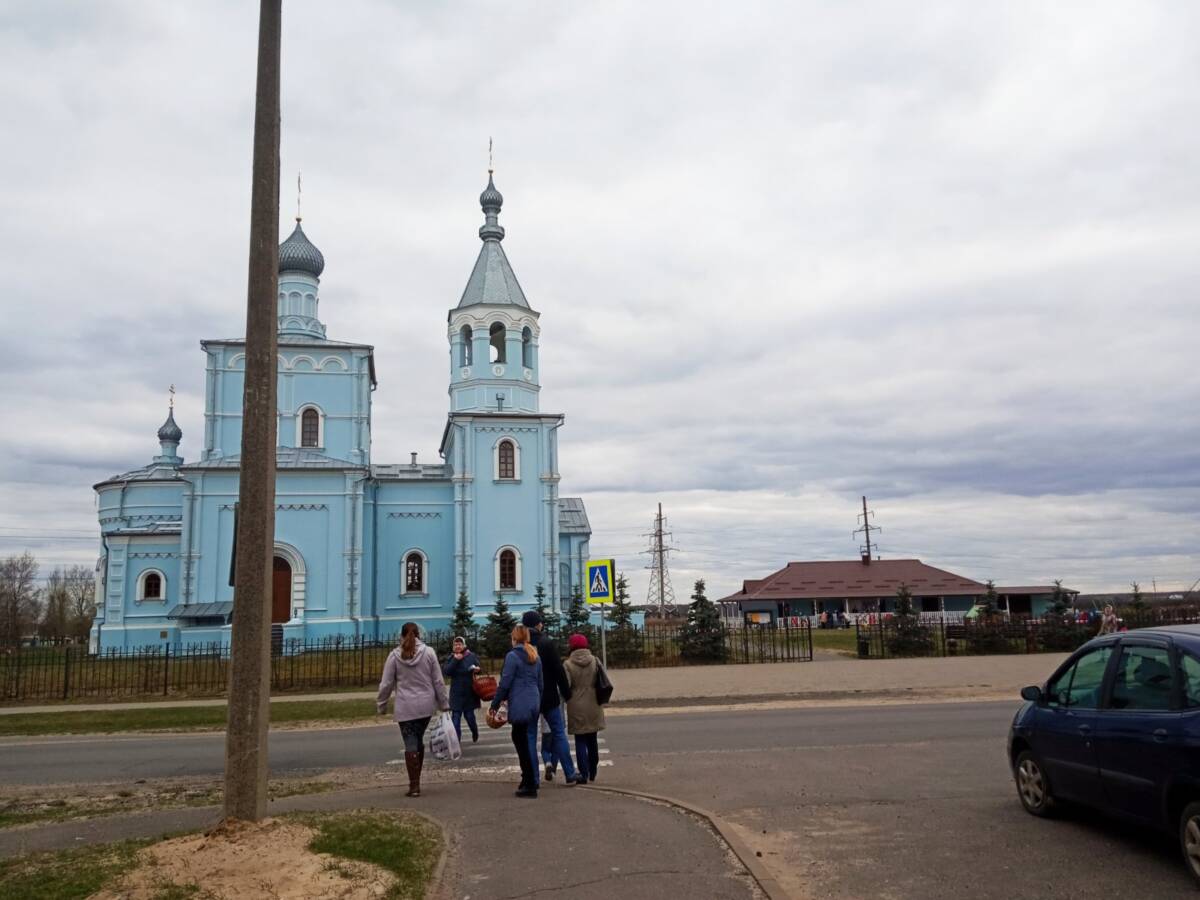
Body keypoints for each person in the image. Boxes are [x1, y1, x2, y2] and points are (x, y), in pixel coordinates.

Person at [377, 622, 449, 798]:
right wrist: (444, 703)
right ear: (419, 635)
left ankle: (414, 784)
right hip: (425, 706)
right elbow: (438, 680)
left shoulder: (394, 656)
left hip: (405, 706)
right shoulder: (429, 653)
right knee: (418, 740)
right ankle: (416, 780)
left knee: (410, 743)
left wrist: (382, 704)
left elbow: (386, 683)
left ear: (401, 636)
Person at [522, 610, 580, 786]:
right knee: (559, 733)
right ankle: (570, 774)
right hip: (548, 696)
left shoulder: (521, 646)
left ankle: (533, 779)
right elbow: (558, 671)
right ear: (538, 624)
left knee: (530, 736)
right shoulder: (546, 643)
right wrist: (567, 693)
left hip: (528, 698)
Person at [490, 624, 543, 798]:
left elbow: (505, 683)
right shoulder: (534, 655)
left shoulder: (512, 656)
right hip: (533, 701)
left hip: (520, 701)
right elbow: (540, 683)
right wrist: (537, 701)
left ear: (514, 638)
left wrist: (494, 704)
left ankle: (530, 783)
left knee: (520, 741)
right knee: (522, 738)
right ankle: (527, 779)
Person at [563, 633, 606, 784]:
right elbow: (602, 679)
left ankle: (583, 773)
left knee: (580, 740)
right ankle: (593, 769)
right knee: (592, 738)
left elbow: (566, 686)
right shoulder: (595, 660)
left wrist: (567, 698)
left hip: (576, 705)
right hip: (594, 703)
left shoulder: (567, 664)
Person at [442, 636, 481, 744]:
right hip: (456, 693)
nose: (457, 646)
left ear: (464, 645)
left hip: (469, 692)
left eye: (459, 644)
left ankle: (475, 731)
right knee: (455, 719)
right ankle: (456, 742)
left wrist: (478, 669)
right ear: (453, 647)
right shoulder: (451, 658)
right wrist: (456, 660)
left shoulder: (471, 656)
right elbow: (447, 672)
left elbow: (478, 667)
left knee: (470, 717)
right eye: (455, 644)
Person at [539, 714, 556, 780]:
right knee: (555, 751)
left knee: (545, 750)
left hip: (546, 728)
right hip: (557, 727)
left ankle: (548, 762)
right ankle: (553, 771)